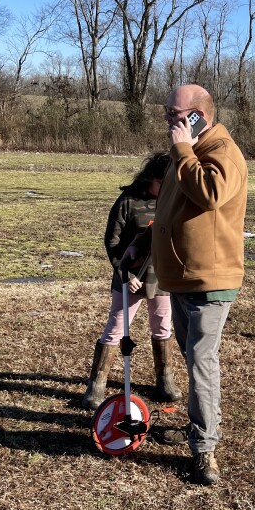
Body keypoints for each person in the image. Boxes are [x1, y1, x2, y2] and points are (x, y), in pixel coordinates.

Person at [126, 84, 247, 486]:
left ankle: (205, 450)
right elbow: (171, 207)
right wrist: (143, 245)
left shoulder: (221, 151)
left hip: (209, 280)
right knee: (195, 359)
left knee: (200, 362)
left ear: (196, 114)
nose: (166, 120)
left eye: (172, 113)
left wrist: (183, 149)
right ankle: (203, 427)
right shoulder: (189, 153)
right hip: (182, 275)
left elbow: (210, 193)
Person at [81, 153, 181, 410]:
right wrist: (125, 274)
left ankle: (165, 380)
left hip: (161, 280)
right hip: (131, 280)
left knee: (163, 327)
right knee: (115, 328)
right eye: (164, 183)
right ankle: (97, 384)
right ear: (151, 178)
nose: (169, 188)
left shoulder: (171, 202)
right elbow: (112, 242)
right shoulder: (127, 202)